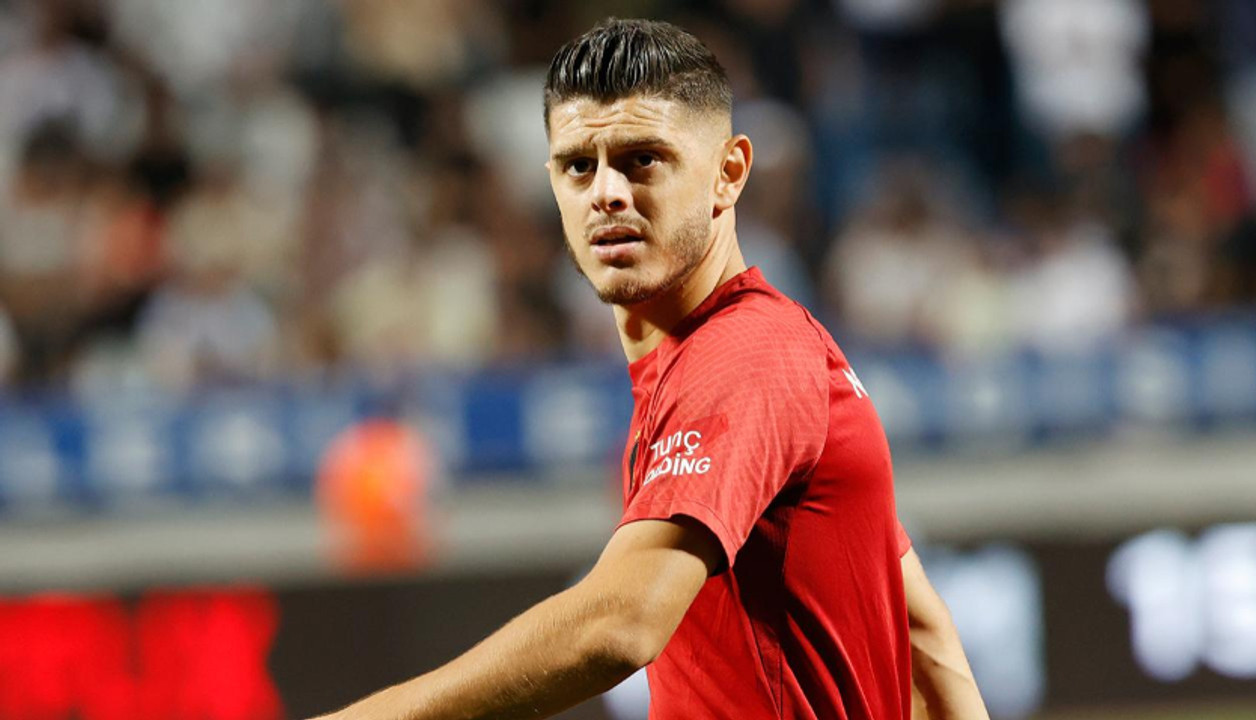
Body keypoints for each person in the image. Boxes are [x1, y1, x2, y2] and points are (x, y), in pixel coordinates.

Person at [312, 18, 987, 720]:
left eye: (642, 160)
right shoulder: (740, 353)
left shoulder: (743, 354)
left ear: (729, 173)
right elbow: (923, 636)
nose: (605, 192)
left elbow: (622, 625)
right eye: (578, 165)